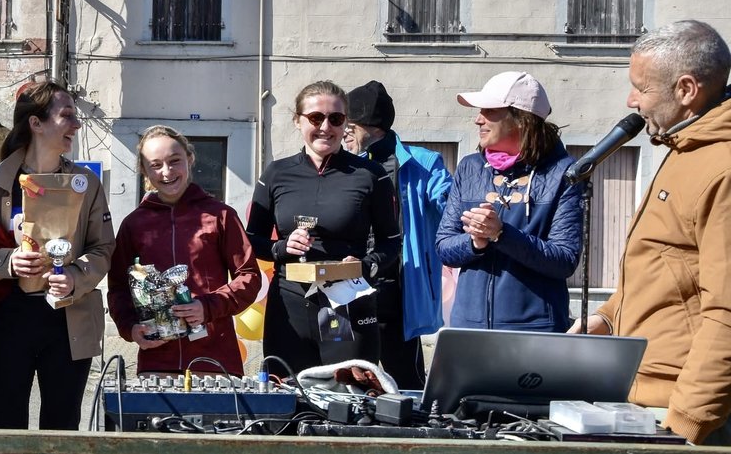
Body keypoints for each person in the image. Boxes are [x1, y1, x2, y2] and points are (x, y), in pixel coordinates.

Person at [569, 20, 731, 445]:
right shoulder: (684, 150)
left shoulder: (722, 167)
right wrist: (607, 316)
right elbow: (669, 268)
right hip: (644, 399)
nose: (631, 100)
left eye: (641, 87)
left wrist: (688, 423)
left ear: (686, 90)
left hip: (684, 413)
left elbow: (725, 311)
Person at [0, 81, 114, 430]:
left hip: (68, 317)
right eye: (67, 116)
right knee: (5, 427)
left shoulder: (86, 184)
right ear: (36, 123)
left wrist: (75, 278)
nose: (76, 126)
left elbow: (102, 247)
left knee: (62, 428)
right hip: (7, 318)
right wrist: (8, 262)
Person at [245, 80, 400, 375]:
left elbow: (391, 243)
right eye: (316, 118)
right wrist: (281, 247)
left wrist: (365, 265)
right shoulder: (277, 173)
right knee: (290, 401)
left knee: (349, 400)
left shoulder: (370, 175)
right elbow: (252, 239)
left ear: (346, 124)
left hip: (345, 303)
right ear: (298, 121)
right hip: (289, 306)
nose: (325, 127)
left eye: (336, 119)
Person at [107, 125, 262, 377]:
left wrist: (208, 306)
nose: (166, 172)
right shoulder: (134, 224)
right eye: (155, 165)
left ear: (190, 159)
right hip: (157, 359)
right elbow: (118, 287)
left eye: (174, 161)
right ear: (144, 170)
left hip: (214, 358)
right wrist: (130, 327)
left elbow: (250, 277)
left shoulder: (220, 215)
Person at [436, 71, 581, 332]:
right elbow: (444, 246)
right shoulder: (470, 168)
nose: (478, 119)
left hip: (535, 330)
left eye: (490, 110)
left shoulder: (563, 173)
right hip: (469, 329)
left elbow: (565, 260)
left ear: (521, 120)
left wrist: (501, 234)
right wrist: (476, 242)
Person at [344, 81, 452, 389]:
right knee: (350, 385)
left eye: (349, 126)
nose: (345, 134)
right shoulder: (348, 166)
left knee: (406, 384)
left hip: (400, 292)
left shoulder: (424, 163)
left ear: (371, 126)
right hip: (353, 288)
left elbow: (451, 206)